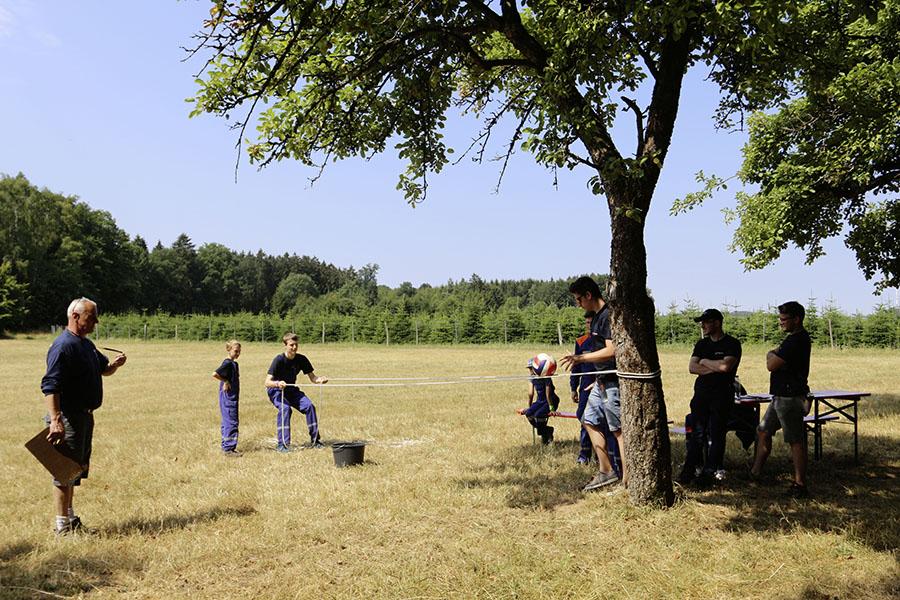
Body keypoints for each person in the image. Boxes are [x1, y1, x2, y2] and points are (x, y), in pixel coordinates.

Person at [40, 297, 127, 535]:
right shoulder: (63, 345)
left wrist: (116, 365)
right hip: (67, 418)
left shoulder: (86, 345)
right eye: (92, 317)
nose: (96, 322)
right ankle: (62, 527)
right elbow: (50, 385)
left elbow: (104, 369)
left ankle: (69, 518)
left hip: (83, 418)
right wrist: (55, 420)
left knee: (74, 472)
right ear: (75, 316)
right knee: (62, 473)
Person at [559, 276, 625, 491]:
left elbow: (611, 350)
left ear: (589, 295)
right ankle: (607, 471)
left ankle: (628, 480)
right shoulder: (595, 318)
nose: (578, 304)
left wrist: (580, 358)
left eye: (579, 299)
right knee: (587, 419)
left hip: (613, 382)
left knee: (618, 430)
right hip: (601, 381)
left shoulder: (607, 316)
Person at [750, 301, 813, 498]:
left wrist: (770, 353)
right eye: (780, 318)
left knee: (795, 440)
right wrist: (774, 354)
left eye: (785, 319)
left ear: (797, 319)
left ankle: (800, 484)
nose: (781, 322)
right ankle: (755, 473)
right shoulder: (792, 339)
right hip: (780, 397)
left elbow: (772, 364)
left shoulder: (796, 341)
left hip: (790, 398)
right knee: (763, 431)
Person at [679, 308, 742, 485]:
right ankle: (689, 470)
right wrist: (715, 366)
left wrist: (705, 362)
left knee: (717, 433)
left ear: (717, 323)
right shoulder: (702, 344)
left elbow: (726, 368)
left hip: (722, 395)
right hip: (701, 395)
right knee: (697, 433)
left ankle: (709, 472)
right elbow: (692, 368)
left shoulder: (732, 344)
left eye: (706, 322)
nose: (703, 325)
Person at [570, 311, 622, 473]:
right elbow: (575, 367)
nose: (588, 326)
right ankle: (585, 453)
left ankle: (614, 461)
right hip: (585, 387)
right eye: (586, 323)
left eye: (591, 322)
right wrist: (573, 387)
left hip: (603, 384)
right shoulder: (581, 342)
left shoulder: (603, 341)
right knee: (585, 419)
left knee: (609, 424)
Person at [265, 333, 328, 452]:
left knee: (309, 406)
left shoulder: (301, 359)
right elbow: (267, 382)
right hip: (276, 390)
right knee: (285, 409)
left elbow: (313, 378)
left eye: (296, 345)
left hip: (291, 390)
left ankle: (315, 440)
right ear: (285, 345)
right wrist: (278, 383)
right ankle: (282, 444)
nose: (294, 347)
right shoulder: (278, 360)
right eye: (291, 345)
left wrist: (320, 380)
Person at [517, 357, 560, 444]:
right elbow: (530, 394)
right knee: (529, 414)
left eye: (531, 368)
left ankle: (545, 432)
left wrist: (552, 409)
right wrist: (529, 408)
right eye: (529, 369)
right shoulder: (531, 378)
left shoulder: (546, 377)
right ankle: (546, 430)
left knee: (539, 415)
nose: (530, 371)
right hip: (540, 401)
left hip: (552, 401)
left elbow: (548, 395)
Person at [212, 340, 242, 456]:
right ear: (228, 350)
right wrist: (225, 380)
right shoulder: (228, 363)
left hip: (232, 396)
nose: (238, 353)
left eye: (239, 351)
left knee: (228, 420)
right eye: (235, 351)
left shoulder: (234, 364)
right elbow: (215, 374)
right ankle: (229, 449)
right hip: (228, 397)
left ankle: (226, 445)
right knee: (231, 420)